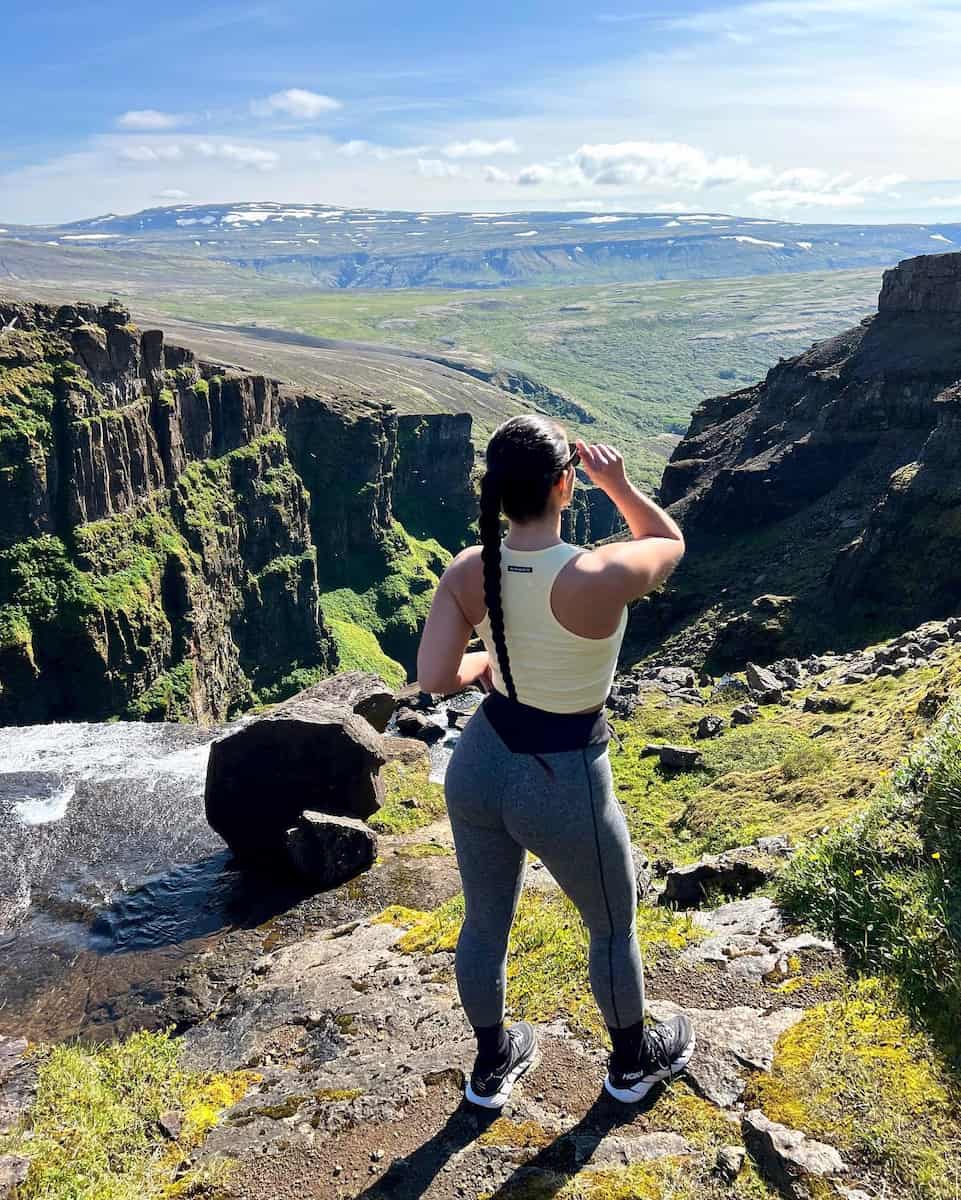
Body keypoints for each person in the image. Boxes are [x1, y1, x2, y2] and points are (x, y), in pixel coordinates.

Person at [416, 414, 694, 1110]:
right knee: (610, 925)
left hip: (480, 762)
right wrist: (621, 484)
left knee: (483, 923)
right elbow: (668, 540)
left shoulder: (467, 569)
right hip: (563, 775)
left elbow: (436, 677)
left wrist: (492, 664)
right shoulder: (597, 573)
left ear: (495, 492)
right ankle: (630, 1066)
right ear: (563, 486)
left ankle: (490, 1065)